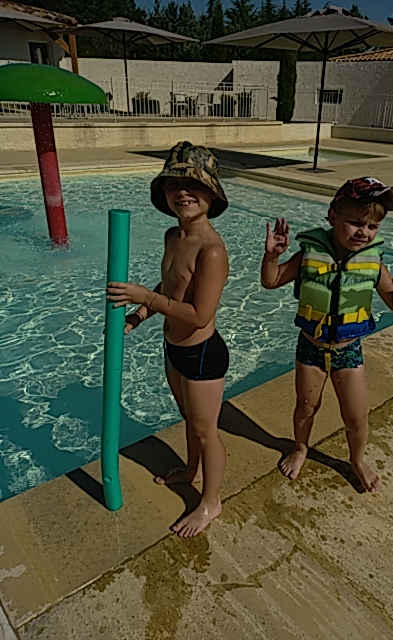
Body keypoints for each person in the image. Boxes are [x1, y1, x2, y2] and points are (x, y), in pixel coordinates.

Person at [260, 177, 393, 492]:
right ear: (332, 216)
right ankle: (300, 448)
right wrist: (272, 257)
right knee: (306, 406)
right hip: (310, 348)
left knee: (355, 417)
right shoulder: (309, 254)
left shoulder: (373, 263)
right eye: (355, 223)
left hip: (348, 351)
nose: (364, 232)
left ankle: (357, 460)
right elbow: (271, 281)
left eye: (373, 226)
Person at [106, 141, 229, 537]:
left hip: (202, 354)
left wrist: (146, 297)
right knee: (189, 421)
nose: (183, 192)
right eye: (174, 184)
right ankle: (192, 471)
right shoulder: (172, 236)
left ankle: (211, 503)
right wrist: (141, 315)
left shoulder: (212, 251)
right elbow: (172, 286)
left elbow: (199, 314)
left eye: (194, 185)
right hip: (173, 349)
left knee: (206, 432)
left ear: (212, 194)